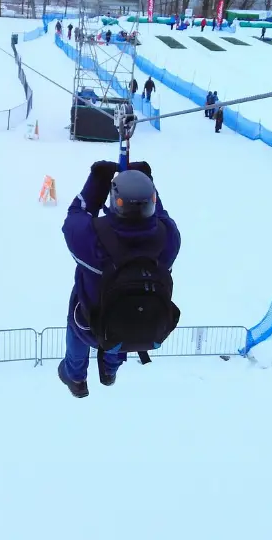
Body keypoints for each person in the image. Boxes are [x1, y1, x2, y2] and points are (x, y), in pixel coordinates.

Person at [58, 161, 181, 397]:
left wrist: (98, 179)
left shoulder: (90, 239)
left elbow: (77, 214)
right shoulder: (168, 240)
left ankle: (75, 376)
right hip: (136, 326)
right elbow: (162, 215)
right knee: (123, 329)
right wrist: (145, 180)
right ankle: (109, 370)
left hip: (89, 324)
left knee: (76, 328)